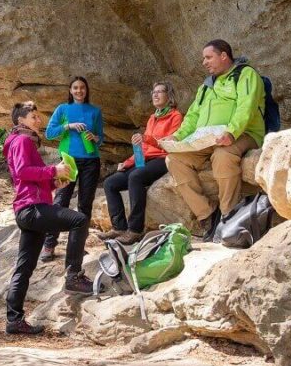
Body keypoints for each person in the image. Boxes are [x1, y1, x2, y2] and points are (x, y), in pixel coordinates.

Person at [3, 102, 95, 336]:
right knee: (80, 220)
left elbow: (29, 178)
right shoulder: (22, 141)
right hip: (32, 209)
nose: (38, 120)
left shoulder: (21, 141)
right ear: (20, 120)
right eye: (33, 116)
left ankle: (14, 320)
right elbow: (23, 171)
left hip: (27, 210)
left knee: (24, 267)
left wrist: (54, 183)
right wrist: (54, 170)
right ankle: (74, 275)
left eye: (38, 116)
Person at [165, 40, 265, 242]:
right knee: (174, 160)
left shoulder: (245, 75)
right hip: (206, 139)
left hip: (243, 134)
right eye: (203, 58)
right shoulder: (205, 86)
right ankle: (207, 214)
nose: (204, 62)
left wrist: (231, 132)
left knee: (223, 155)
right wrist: (177, 137)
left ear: (224, 56)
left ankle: (229, 213)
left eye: (208, 57)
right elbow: (193, 116)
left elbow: (246, 106)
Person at [98, 82, 184, 245]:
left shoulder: (175, 116)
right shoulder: (153, 118)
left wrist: (146, 138)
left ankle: (135, 230)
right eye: (154, 92)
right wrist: (127, 162)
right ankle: (119, 228)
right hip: (146, 159)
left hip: (163, 158)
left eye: (160, 92)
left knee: (136, 177)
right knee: (110, 183)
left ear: (169, 96)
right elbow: (143, 147)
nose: (156, 95)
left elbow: (170, 143)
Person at [42, 76, 104, 262]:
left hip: (91, 160)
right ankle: (49, 244)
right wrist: (68, 126)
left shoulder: (95, 111)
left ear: (86, 90)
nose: (79, 91)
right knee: (61, 200)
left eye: (82, 88)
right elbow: (49, 133)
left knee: (85, 204)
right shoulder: (63, 109)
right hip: (68, 160)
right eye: (75, 88)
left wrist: (96, 138)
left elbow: (101, 137)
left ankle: (76, 246)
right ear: (70, 90)